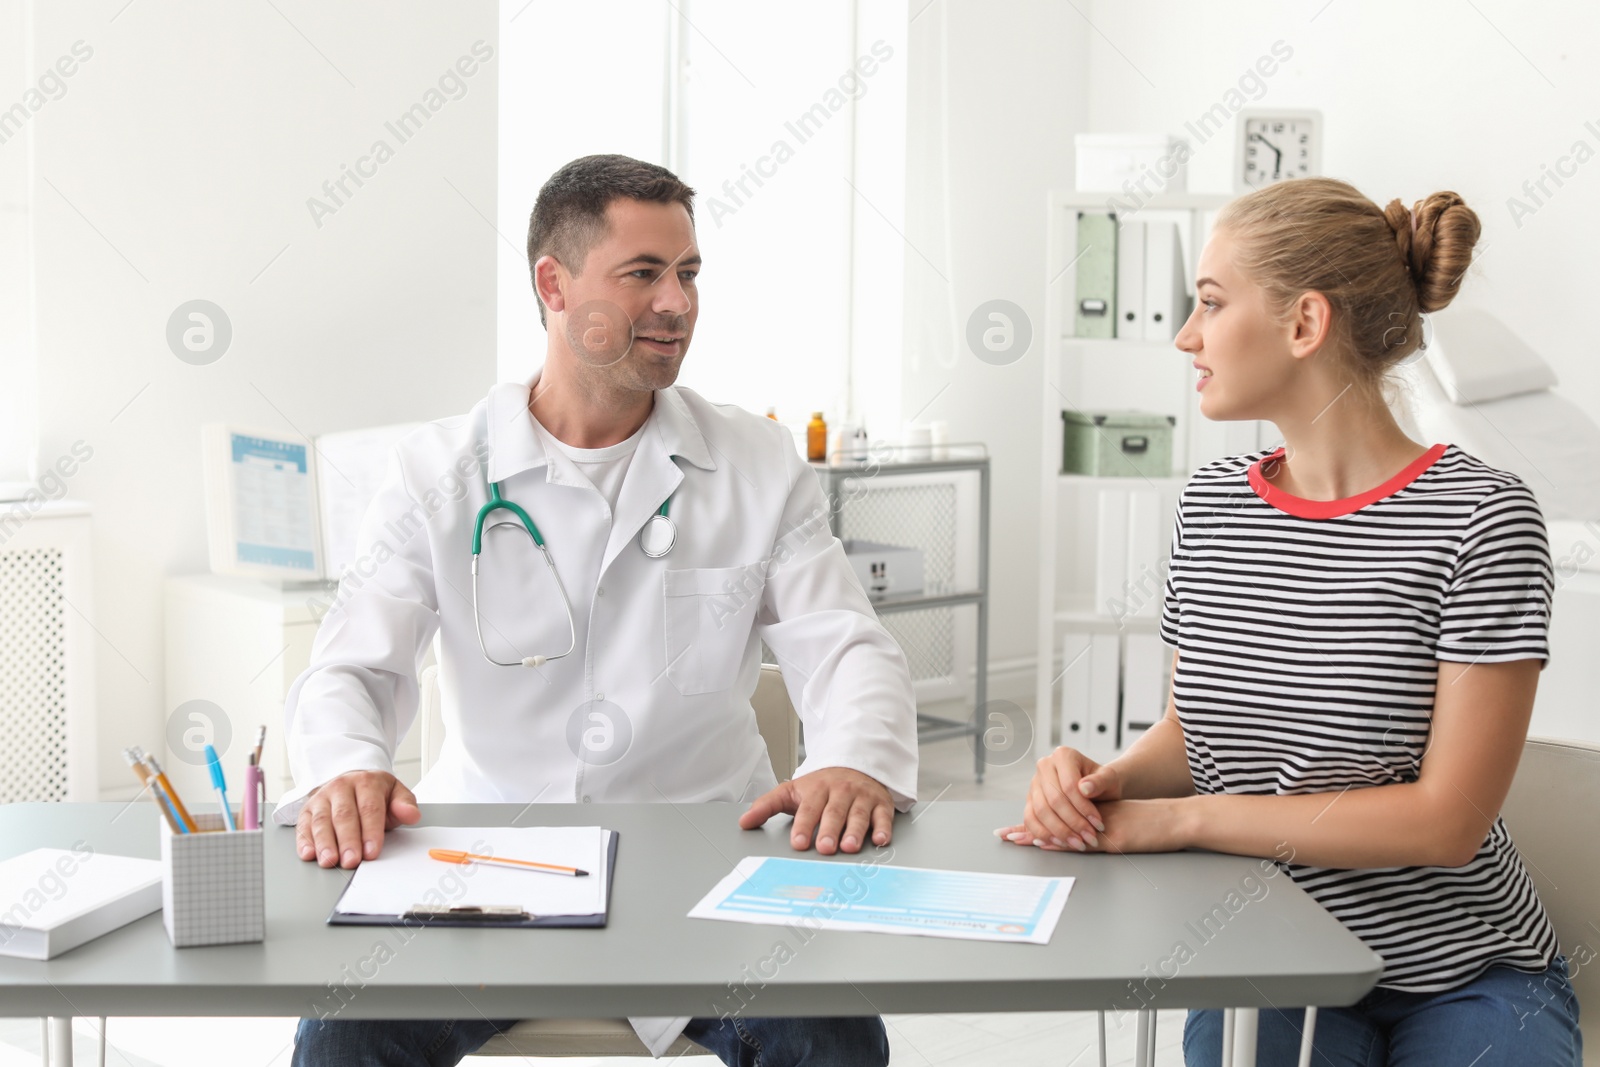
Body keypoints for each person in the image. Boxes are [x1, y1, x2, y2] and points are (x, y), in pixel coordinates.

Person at [279, 154, 916, 1067]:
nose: (678, 303)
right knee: (342, 1038)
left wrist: (851, 759)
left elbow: (848, 648)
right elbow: (351, 667)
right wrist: (346, 767)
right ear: (553, 283)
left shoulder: (758, 463)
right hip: (483, 871)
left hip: (706, 869)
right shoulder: (437, 473)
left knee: (836, 1039)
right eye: (644, 274)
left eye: (689, 274)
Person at [1001, 178, 1582, 1066]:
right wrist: (1106, 782)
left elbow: (1446, 822)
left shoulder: (1482, 518)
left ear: (1305, 324)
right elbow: (1196, 735)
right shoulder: (1212, 508)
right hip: (1266, 951)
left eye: (1209, 303)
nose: (1185, 336)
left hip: (1465, 971)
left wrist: (1185, 821)